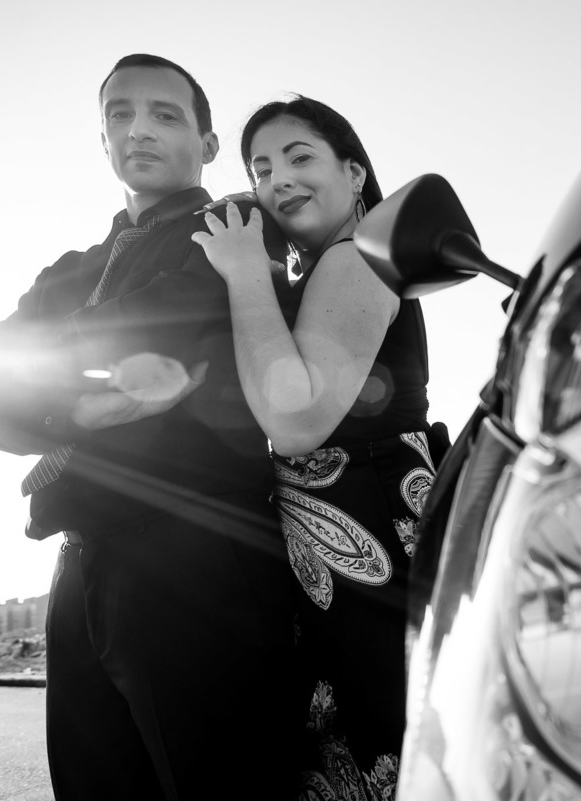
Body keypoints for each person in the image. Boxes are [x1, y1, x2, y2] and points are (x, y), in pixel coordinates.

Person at [0, 54, 303, 800]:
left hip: (198, 557)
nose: (139, 129)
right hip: (76, 566)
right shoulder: (68, 271)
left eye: (166, 114)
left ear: (207, 143)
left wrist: (44, 357)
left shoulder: (237, 228)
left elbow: (164, 318)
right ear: (101, 139)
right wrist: (73, 411)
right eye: (119, 115)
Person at [191, 95, 446, 801]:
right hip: (347, 552)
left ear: (355, 172)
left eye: (299, 156)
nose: (278, 179)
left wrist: (245, 271)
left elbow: (296, 418)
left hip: (374, 542)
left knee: (388, 745)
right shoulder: (323, 268)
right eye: (260, 168)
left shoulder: (356, 257)